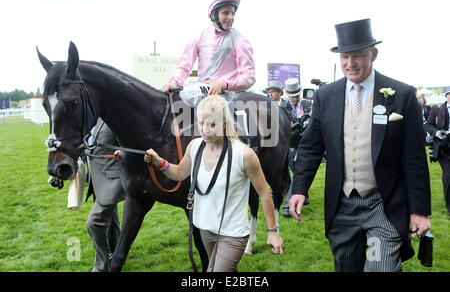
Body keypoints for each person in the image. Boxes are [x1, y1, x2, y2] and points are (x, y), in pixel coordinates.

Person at [289, 18, 431, 272]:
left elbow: (415, 158)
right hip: (342, 206)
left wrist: (419, 210)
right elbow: (311, 148)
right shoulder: (326, 96)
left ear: (373, 54)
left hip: (383, 204)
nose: (350, 64)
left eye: (357, 56)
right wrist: (299, 188)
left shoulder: (402, 94)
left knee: (380, 268)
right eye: (345, 57)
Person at [144, 95, 283, 272]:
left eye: (212, 124)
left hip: (233, 234)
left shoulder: (244, 154)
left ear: (225, 123)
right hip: (205, 231)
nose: (205, 130)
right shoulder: (194, 146)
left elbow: (264, 192)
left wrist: (273, 232)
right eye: (201, 123)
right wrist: (158, 162)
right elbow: (179, 173)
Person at [161, 0, 255, 107]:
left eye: (232, 13)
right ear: (214, 15)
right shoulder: (199, 36)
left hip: (226, 94)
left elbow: (249, 77)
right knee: (171, 96)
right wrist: (174, 83)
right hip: (201, 89)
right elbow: (184, 66)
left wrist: (224, 84)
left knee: (184, 95)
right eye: (226, 13)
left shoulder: (241, 41)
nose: (230, 17)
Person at [86, 118, 126, 272]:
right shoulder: (92, 116)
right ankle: (115, 253)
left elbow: (130, 141)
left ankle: (101, 266)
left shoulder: (112, 114)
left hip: (113, 178)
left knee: (94, 222)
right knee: (111, 217)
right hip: (97, 177)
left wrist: (124, 152)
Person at [281, 78, 311, 217]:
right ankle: (304, 195)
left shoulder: (307, 104)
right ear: (287, 95)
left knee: (299, 171)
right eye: (292, 96)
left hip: (305, 143)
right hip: (290, 144)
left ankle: (288, 206)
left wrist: (306, 122)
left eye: (296, 95)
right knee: (296, 170)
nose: (294, 98)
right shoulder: (282, 107)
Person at [425, 90, 450, 214]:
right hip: (443, 148)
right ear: (446, 96)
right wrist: (436, 132)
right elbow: (428, 125)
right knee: (448, 175)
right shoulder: (437, 109)